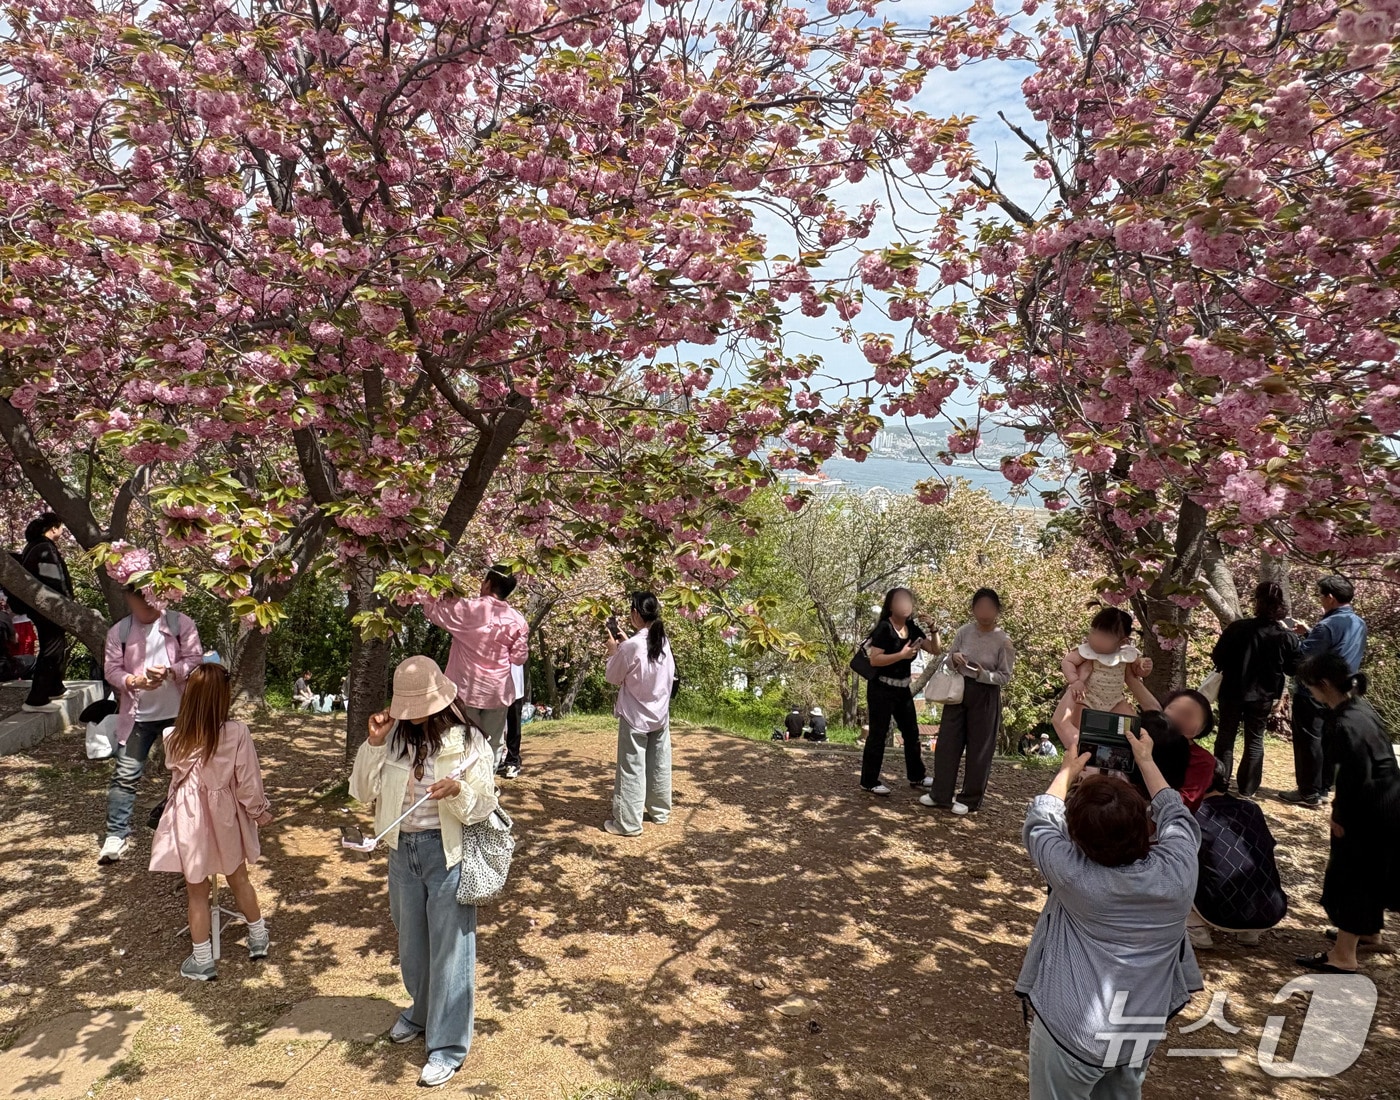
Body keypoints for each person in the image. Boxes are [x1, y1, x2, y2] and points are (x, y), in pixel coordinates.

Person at [1018, 720, 1201, 1099]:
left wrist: (1068, 770)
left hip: (1072, 1033)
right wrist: (1146, 761)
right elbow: (1177, 815)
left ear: (1076, 838)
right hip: (1139, 1027)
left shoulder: (1071, 876)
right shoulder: (1179, 870)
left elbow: (1039, 821)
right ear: (1144, 825)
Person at [349, 656, 499, 1089]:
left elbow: (484, 803)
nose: (413, 718)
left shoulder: (469, 740)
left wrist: (458, 791)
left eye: (420, 709)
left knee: (452, 950)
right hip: (401, 852)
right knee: (411, 942)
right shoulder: (393, 738)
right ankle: (419, 1011)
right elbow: (361, 792)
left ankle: (448, 1046)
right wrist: (373, 744)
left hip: (446, 852)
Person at [148, 661, 273, 981]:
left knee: (197, 891)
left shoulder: (172, 736)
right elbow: (248, 782)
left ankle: (202, 959)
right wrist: (260, 812)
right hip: (224, 815)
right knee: (239, 878)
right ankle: (258, 938)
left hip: (188, 818)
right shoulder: (236, 733)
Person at [1292, 653, 1400, 973]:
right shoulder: (1360, 708)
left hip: (1367, 811)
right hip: (1390, 801)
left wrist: (1339, 818)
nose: (1310, 693)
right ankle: (1368, 932)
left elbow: (1350, 780)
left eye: (1311, 687)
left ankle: (1343, 956)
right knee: (1373, 871)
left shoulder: (1340, 724)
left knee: (1352, 876)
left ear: (1323, 685)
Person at [98, 586, 203, 865]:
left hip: (180, 714)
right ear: (128, 599)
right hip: (137, 717)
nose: (149, 605)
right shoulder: (119, 632)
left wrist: (171, 672)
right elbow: (111, 670)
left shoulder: (180, 624)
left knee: (188, 773)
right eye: (141, 601)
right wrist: (135, 681)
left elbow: (195, 659)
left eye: (153, 598)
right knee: (126, 775)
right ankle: (116, 835)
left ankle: (187, 828)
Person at [423, 565, 529, 768]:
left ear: (488, 583)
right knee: (492, 744)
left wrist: (438, 589)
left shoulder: (466, 609)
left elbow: (431, 610)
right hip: (497, 692)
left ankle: (460, 788)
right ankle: (486, 786)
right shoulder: (518, 620)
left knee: (459, 743)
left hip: (464, 690)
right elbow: (518, 658)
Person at [924, 588, 1014, 814]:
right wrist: (954, 659)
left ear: (997, 611)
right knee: (947, 743)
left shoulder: (1004, 640)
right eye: (980, 606)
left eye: (989, 607)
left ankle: (970, 799)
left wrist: (982, 674)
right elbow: (947, 660)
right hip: (958, 690)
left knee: (979, 749)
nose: (984, 611)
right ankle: (940, 794)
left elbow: (1005, 676)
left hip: (985, 695)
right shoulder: (964, 632)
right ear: (973, 609)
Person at [1282, 575, 1368, 808]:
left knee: (1309, 739)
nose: (1320, 600)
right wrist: (1309, 632)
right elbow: (1336, 652)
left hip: (1315, 689)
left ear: (1330, 598)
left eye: (1321, 595)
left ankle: (1308, 792)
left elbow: (1304, 656)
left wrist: (1291, 637)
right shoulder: (1359, 623)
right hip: (1342, 692)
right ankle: (1322, 789)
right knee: (1330, 741)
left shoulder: (1327, 625)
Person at [1211, 582, 1300, 797]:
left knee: (1226, 737)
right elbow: (1292, 667)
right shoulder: (1285, 636)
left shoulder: (1238, 628)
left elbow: (1218, 657)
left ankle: (1220, 784)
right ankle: (1247, 789)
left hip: (1232, 691)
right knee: (1255, 739)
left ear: (1257, 602)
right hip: (1263, 695)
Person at [1187, 761, 1287, 950]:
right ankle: (1249, 933)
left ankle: (1195, 926)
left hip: (1217, 911)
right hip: (1269, 909)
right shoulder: (1252, 808)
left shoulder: (1194, 814)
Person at [603, 592, 676, 836]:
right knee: (659, 764)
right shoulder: (662, 641)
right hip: (660, 714)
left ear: (635, 613)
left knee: (631, 768)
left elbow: (613, 677)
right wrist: (625, 644)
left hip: (635, 716)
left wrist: (614, 651)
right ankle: (660, 811)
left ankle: (628, 823)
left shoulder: (632, 646)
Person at [860, 587, 937, 796]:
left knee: (911, 733)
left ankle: (917, 776)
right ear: (891, 606)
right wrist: (901, 655)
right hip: (881, 688)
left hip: (902, 689)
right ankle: (869, 781)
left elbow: (935, 649)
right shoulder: (884, 628)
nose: (905, 605)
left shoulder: (912, 628)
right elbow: (875, 659)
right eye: (900, 601)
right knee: (878, 734)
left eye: (908, 601)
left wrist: (933, 627)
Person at [19, 513, 73, 711]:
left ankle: (55, 687)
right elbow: (53, 580)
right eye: (60, 528)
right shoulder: (44, 548)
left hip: (42, 608)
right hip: (49, 609)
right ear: (53, 528)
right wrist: (66, 603)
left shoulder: (33, 546)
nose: (62, 531)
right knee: (52, 648)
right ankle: (36, 699)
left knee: (58, 645)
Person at [1061, 607, 1139, 715]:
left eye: (1104, 637)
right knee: (1082, 722)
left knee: (1130, 723)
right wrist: (1075, 681)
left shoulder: (1125, 655)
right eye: (1094, 632)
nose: (1096, 639)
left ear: (1122, 642)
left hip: (1115, 701)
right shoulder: (1087, 652)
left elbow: (1137, 671)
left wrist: (1144, 667)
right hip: (1087, 699)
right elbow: (1067, 661)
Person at [501, 661, 524, 779]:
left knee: (513, 722)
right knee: (492, 726)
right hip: (492, 685)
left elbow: (520, 655)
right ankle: (496, 758)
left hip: (514, 684)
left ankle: (512, 761)